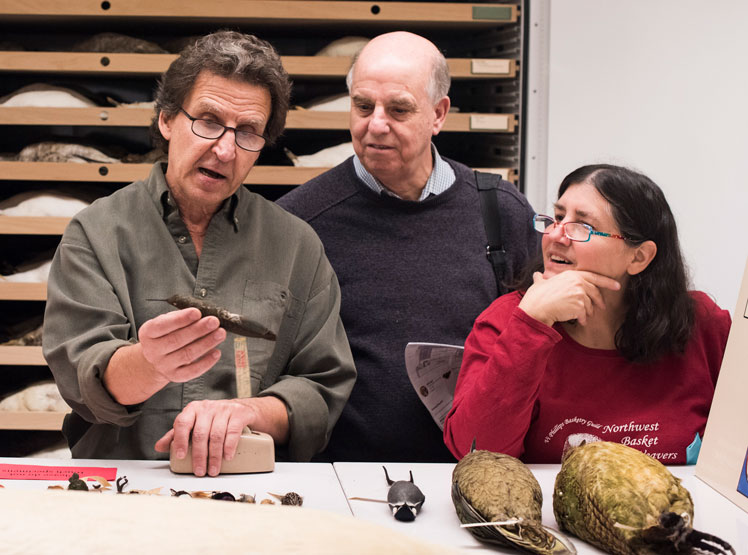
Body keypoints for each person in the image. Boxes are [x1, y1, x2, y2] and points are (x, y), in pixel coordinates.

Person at [43, 30, 356, 476]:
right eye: (208, 121)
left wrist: (251, 411)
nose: (225, 149)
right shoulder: (95, 233)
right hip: (123, 491)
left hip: (250, 488)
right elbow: (82, 377)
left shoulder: (296, 245)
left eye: (248, 132)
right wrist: (147, 364)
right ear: (167, 119)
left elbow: (323, 388)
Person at [277, 32, 540, 461]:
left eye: (398, 109)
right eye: (363, 106)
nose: (375, 124)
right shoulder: (301, 221)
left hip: (475, 473)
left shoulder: (501, 212)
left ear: (438, 115)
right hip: (341, 481)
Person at [444, 164, 731, 464]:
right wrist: (531, 324)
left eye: (582, 226)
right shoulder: (507, 321)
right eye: (557, 218)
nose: (556, 235)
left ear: (639, 257)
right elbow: (475, 454)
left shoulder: (703, 325)